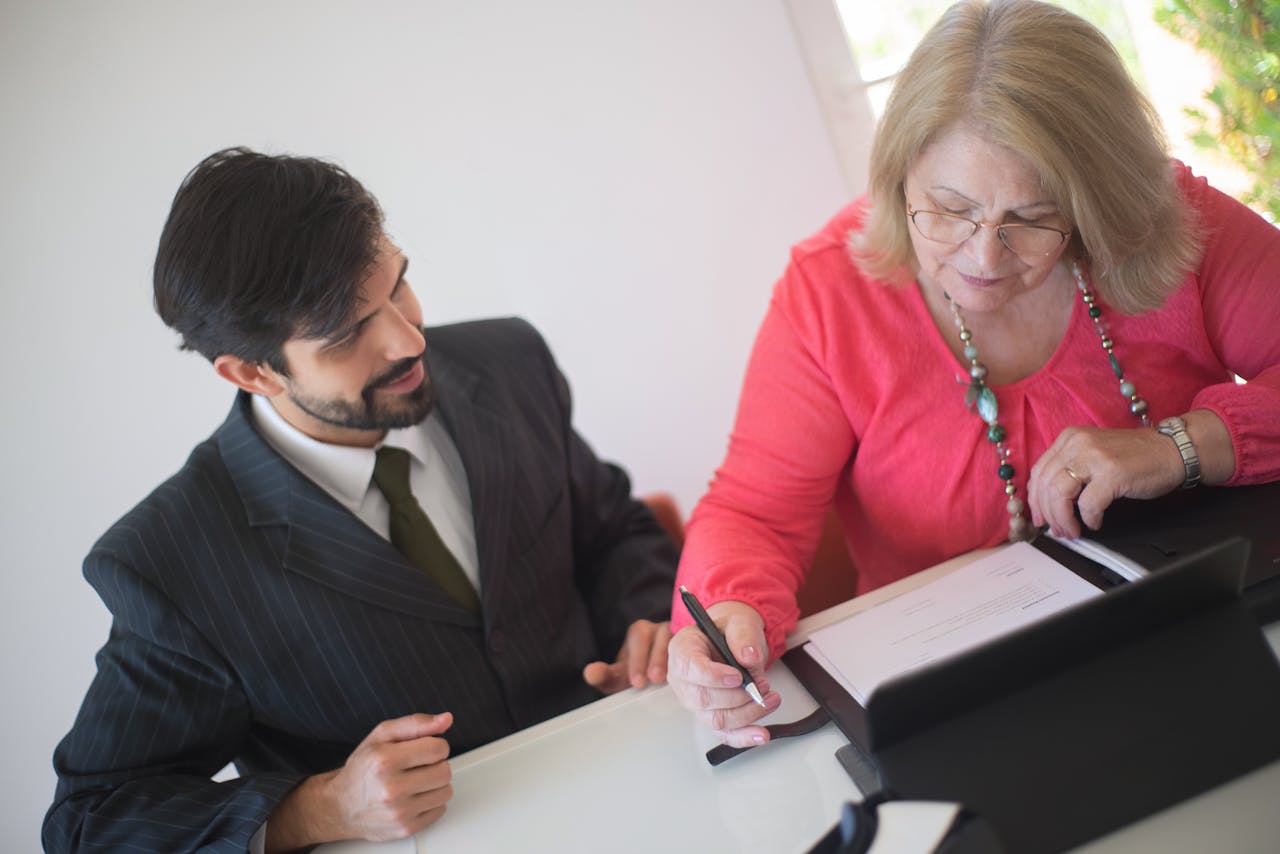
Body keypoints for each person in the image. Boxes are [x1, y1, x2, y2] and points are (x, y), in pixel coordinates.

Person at [667, 0, 1280, 746]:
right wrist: (731, 613)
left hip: (1191, 638)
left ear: (1097, 202)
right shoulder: (831, 296)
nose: (983, 259)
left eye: (1034, 217)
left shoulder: (1171, 223)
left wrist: (1183, 444)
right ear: (898, 178)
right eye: (949, 209)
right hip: (956, 708)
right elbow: (753, 514)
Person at [44, 147, 679, 852]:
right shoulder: (172, 563)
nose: (409, 341)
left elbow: (615, 531)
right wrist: (314, 810)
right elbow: (88, 821)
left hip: (653, 799)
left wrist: (646, 621)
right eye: (348, 332)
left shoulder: (510, 362)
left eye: (399, 286)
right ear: (252, 371)